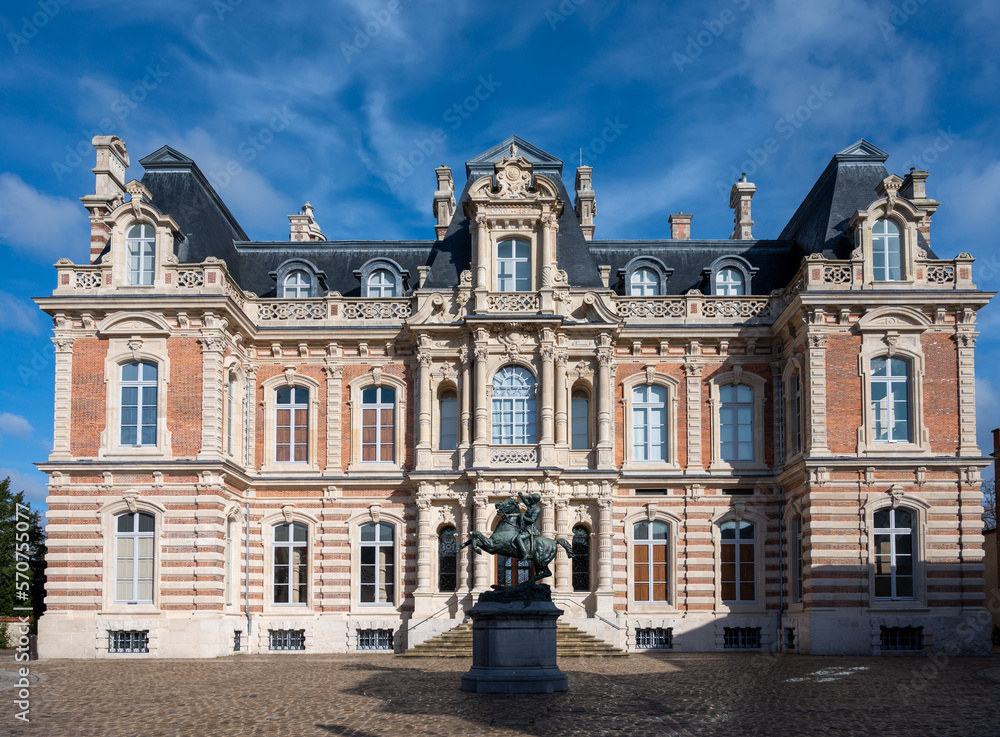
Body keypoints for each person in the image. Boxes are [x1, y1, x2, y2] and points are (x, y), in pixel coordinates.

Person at [512, 491, 541, 559]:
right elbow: (525, 501)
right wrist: (521, 495)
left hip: (531, 529)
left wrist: (523, 517)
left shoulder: (537, 509)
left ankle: (525, 554)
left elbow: (532, 520)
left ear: (533, 501)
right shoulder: (530, 505)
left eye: (530, 499)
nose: (528, 500)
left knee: (519, 538)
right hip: (525, 527)